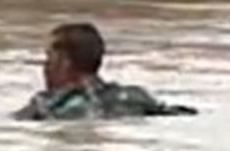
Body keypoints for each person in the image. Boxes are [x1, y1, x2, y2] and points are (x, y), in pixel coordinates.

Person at [15, 22, 196, 121]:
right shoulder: (135, 96)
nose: (44, 66)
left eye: (49, 57)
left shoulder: (45, 105)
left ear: (64, 62)